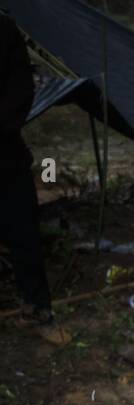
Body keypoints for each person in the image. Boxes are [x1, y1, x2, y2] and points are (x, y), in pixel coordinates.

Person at [0, 13, 52, 323]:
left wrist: (3, 127)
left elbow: (20, 87)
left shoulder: (4, 30)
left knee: (21, 227)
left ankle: (36, 303)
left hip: (4, 152)